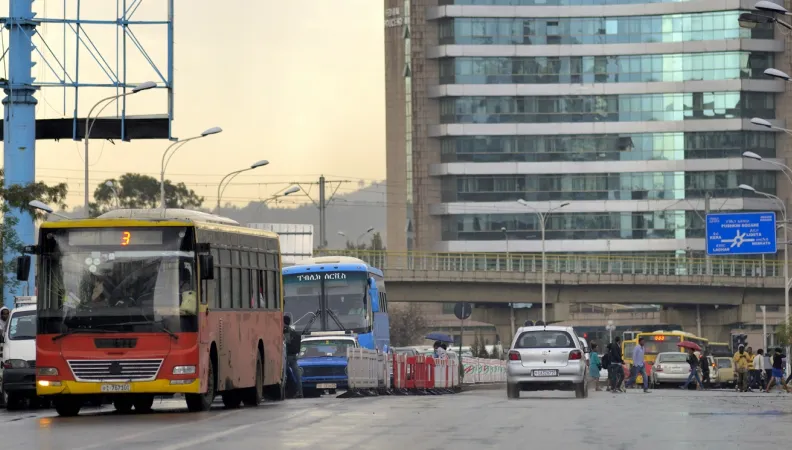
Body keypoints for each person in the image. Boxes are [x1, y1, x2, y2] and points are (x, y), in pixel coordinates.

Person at [283, 315, 303, 398]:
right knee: (297, 375)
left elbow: (287, 341)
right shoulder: (293, 330)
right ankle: (300, 392)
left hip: (287, 356)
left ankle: (288, 392)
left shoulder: (285, 330)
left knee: (285, 374)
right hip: (294, 355)